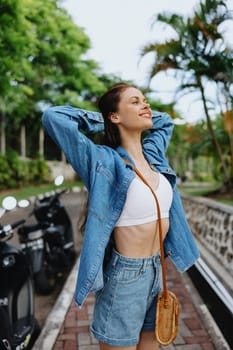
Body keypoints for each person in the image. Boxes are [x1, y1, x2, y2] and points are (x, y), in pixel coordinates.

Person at [42, 82, 199, 350]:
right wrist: (105, 121)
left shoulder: (153, 156)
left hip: (158, 271)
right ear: (114, 116)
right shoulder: (102, 161)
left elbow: (166, 121)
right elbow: (53, 117)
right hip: (126, 278)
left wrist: (129, 114)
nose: (146, 105)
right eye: (135, 101)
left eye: (145, 100)